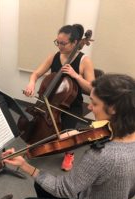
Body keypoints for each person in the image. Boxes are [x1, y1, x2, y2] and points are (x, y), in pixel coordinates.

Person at [3, 74, 135, 199]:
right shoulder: (130, 135)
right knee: (40, 185)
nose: (89, 107)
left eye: (94, 103)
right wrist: (81, 133)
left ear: (113, 109)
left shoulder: (102, 156)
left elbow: (63, 189)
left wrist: (25, 166)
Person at [23, 24, 95, 171]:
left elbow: (91, 89)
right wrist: (31, 83)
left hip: (71, 104)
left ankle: (69, 154)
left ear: (75, 43)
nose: (59, 46)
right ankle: (37, 140)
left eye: (63, 43)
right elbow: (36, 74)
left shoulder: (84, 61)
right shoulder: (54, 57)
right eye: (57, 42)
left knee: (67, 134)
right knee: (40, 120)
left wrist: (76, 76)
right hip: (49, 101)